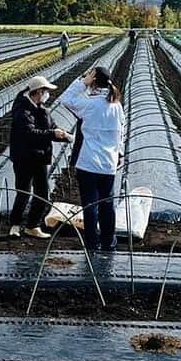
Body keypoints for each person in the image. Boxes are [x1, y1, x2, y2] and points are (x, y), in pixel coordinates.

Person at [59, 65, 125, 252]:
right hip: (108, 164)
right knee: (107, 204)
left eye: (89, 75)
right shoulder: (116, 105)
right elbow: (121, 132)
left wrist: (82, 83)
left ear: (93, 80)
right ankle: (108, 242)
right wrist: (119, 152)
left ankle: (91, 244)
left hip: (88, 163)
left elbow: (65, 99)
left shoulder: (89, 104)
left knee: (90, 205)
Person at [8, 76, 73, 238]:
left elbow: (51, 127)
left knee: (42, 193)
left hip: (39, 157)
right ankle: (15, 225)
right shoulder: (22, 109)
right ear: (37, 92)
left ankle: (32, 226)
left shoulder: (41, 108)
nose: (47, 95)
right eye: (45, 91)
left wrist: (66, 136)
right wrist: (52, 133)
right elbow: (29, 133)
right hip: (24, 157)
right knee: (23, 191)